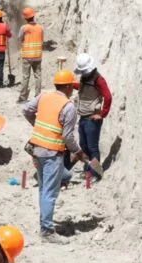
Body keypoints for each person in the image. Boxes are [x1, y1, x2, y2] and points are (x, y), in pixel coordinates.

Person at [22, 70, 87, 244]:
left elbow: (26, 110)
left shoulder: (44, 96)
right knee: (50, 192)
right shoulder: (68, 107)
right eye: (71, 86)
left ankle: (45, 224)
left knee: (44, 189)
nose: (73, 90)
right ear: (66, 87)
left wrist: (37, 126)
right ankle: (47, 231)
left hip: (37, 150)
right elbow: (68, 136)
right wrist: (78, 152)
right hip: (52, 152)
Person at [63, 53, 113, 182]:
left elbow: (108, 97)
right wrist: (69, 84)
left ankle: (96, 173)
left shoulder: (99, 80)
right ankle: (88, 171)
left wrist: (102, 114)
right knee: (83, 146)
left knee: (92, 147)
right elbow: (83, 89)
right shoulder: (85, 79)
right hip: (83, 117)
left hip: (92, 119)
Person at [17, 7, 43, 103]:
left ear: (25, 18)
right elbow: (41, 39)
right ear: (33, 16)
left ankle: (23, 98)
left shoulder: (24, 28)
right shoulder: (40, 27)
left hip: (27, 56)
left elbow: (19, 37)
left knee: (25, 77)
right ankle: (38, 97)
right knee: (38, 76)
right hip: (37, 56)